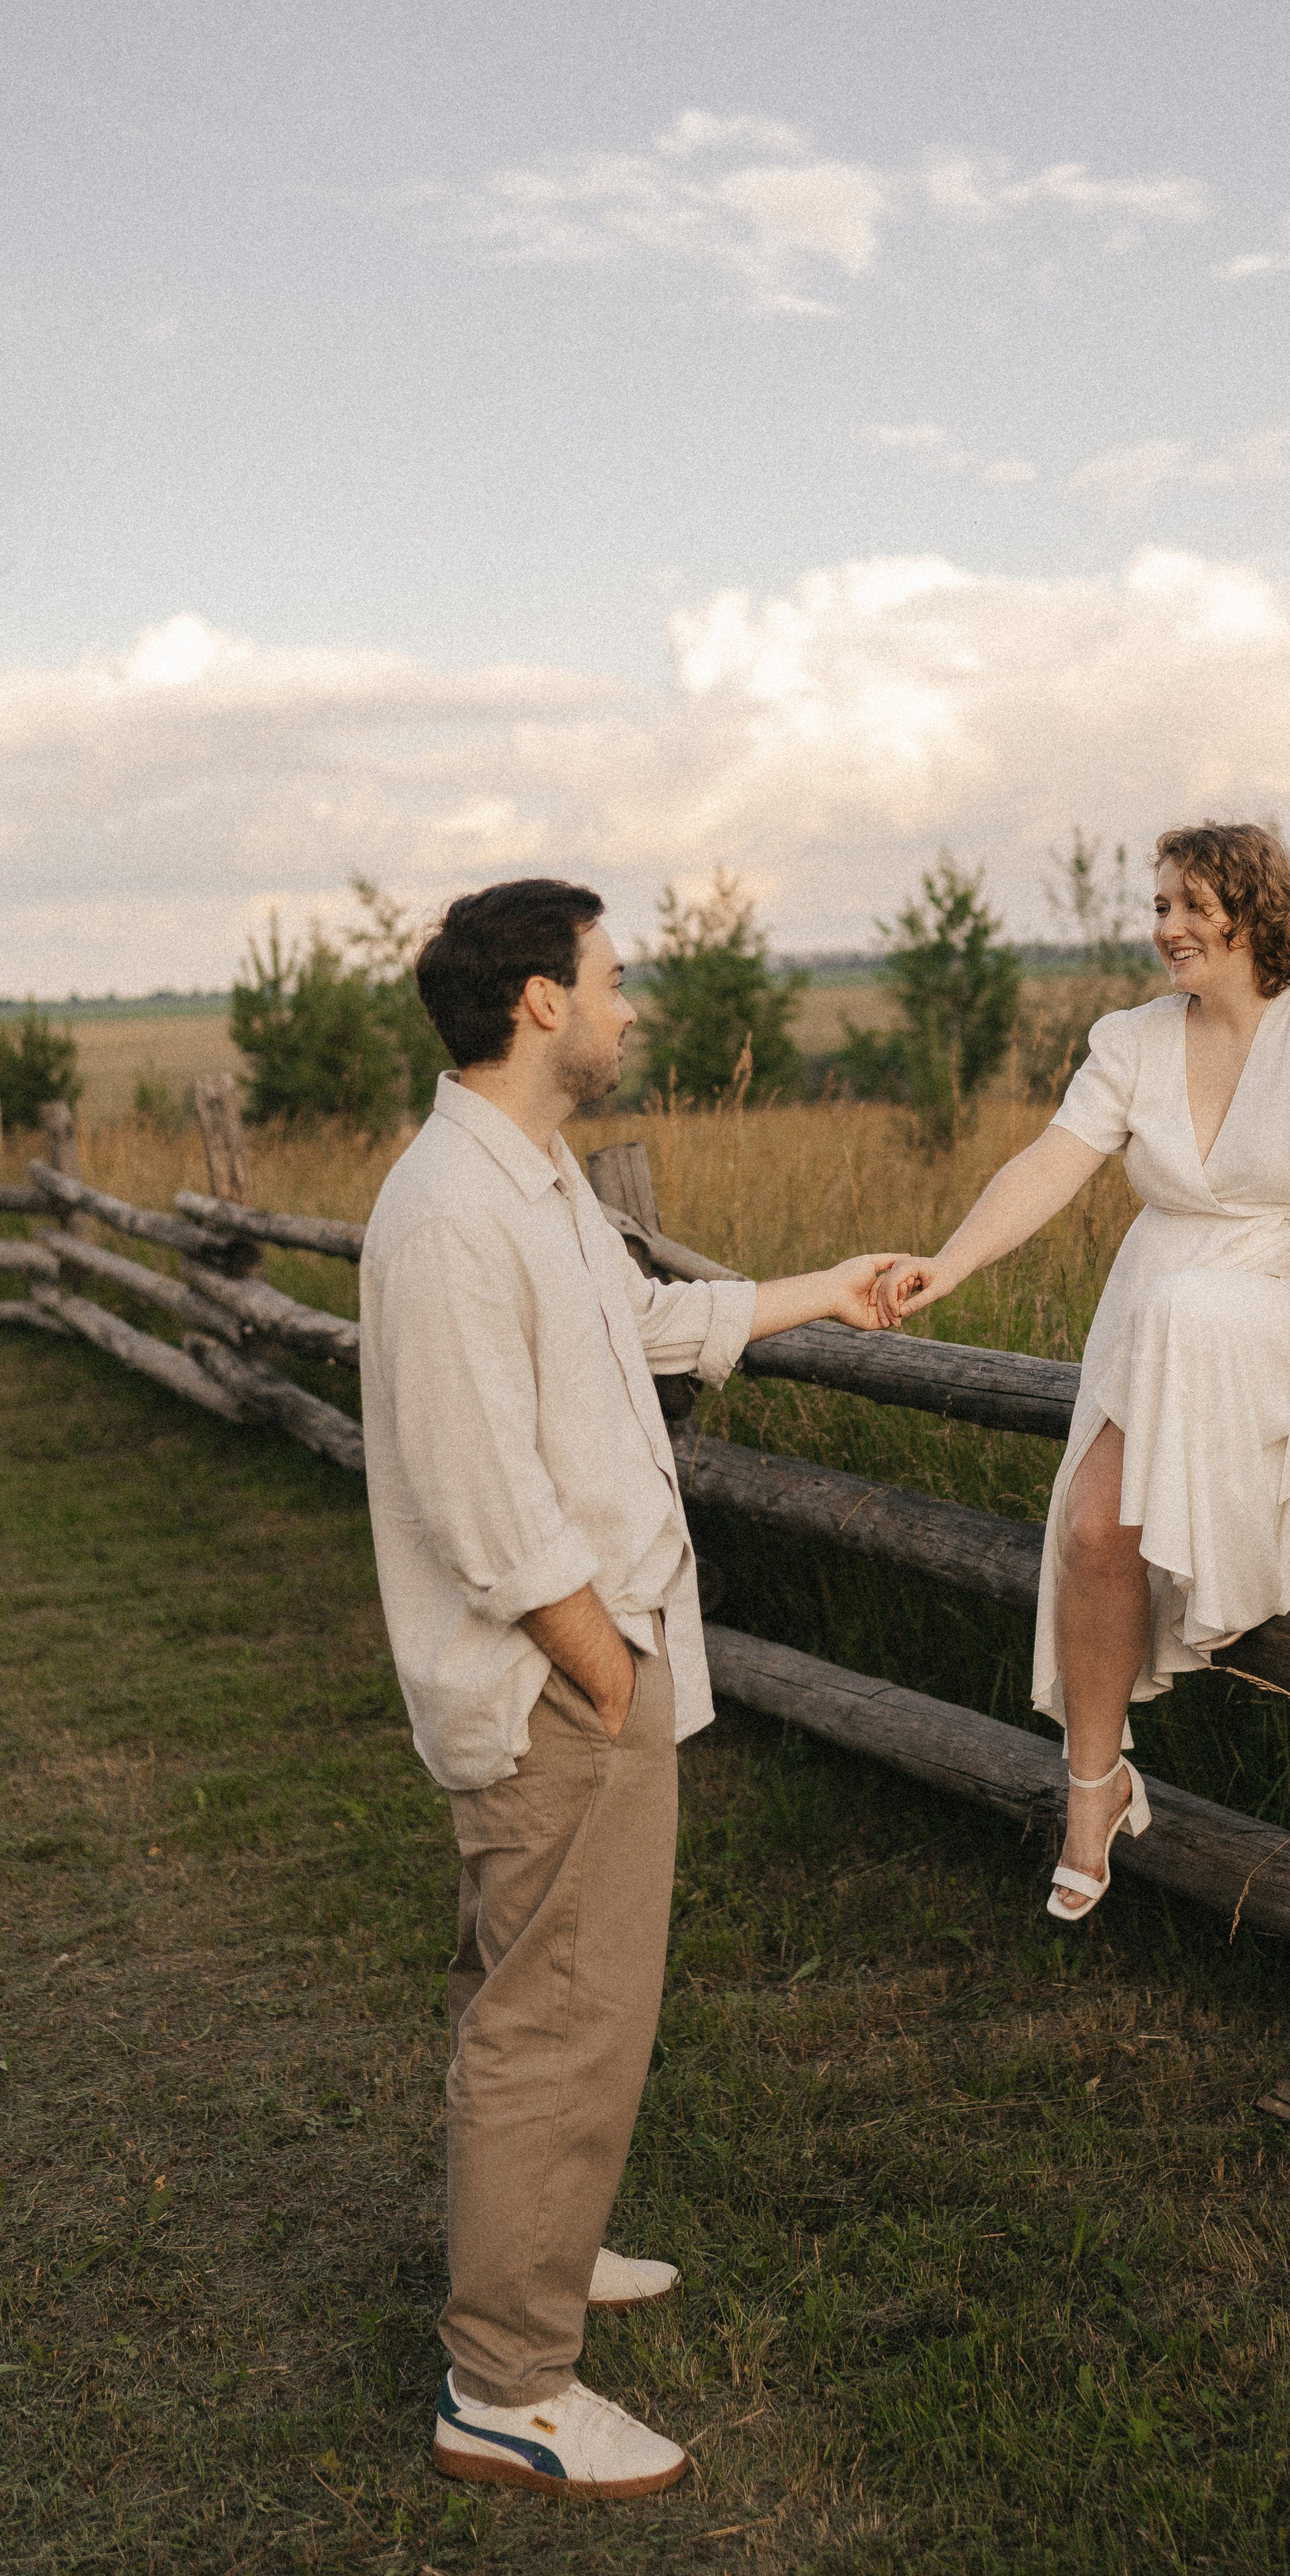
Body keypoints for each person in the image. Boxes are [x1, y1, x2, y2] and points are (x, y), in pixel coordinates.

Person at [359, 878, 902, 2501]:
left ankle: (540, 2244)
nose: (627, 1009)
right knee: (563, 2020)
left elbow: (636, 1327)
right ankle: (508, 2389)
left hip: (586, 1668)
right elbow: (480, 1497)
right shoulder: (451, 1207)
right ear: (539, 1001)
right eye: (611, 980)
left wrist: (821, 1286)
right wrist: (604, 1671)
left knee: (527, 1994)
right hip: (556, 1684)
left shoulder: (526, 1176)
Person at [876, 823, 1290, 1921]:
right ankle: (1096, 1784)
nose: (1167, 929)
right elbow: (1052, 1162)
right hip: (1162, 1301)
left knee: (1188, 1314)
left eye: (1191, 906)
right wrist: (949, 1260)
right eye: (1159, 908)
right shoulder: (1133, 1038)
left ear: (1252, 911)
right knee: (1091, 1532)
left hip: (1285, 1299)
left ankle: (1222, 1584)